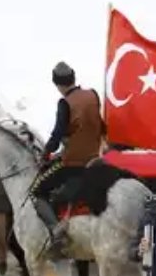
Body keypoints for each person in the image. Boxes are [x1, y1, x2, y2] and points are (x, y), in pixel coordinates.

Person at [32, 62, 105, 258]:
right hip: (95, 160)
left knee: (36, 192)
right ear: (74, 77)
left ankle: (57, 233)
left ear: (57, 84)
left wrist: (44, 154)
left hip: (73, 164)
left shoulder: (64, 103)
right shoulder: (93, 95)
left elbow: (57, 135)